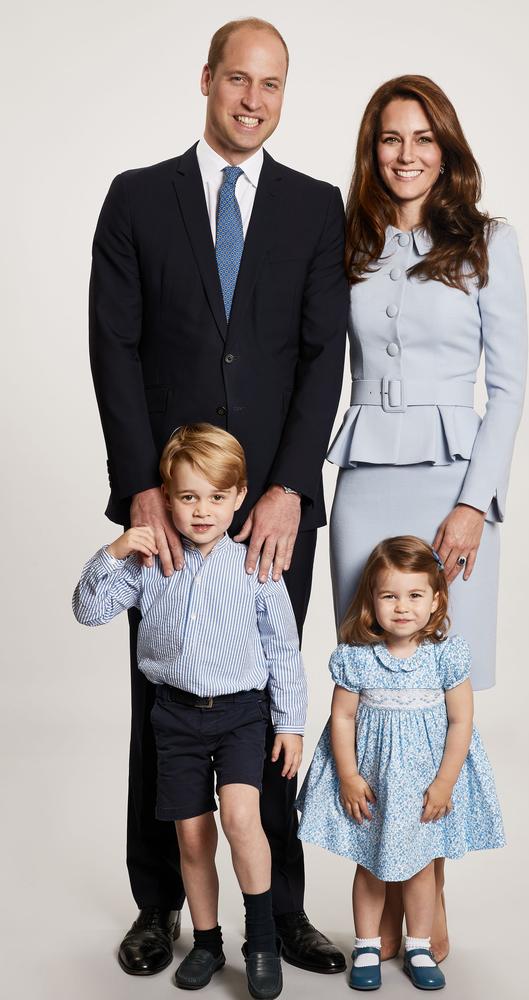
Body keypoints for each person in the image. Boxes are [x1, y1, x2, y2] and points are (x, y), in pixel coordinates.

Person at [88, 18, 348, 975]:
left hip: (270, 515)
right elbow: (111, 348)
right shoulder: (137, 199)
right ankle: (160, 902)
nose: (253, 100)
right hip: (171, 506)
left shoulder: (317, 209)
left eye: (272, 85)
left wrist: (288, 487)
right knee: (161, 704)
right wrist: (139, 494)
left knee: (270, 706)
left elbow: (327, 357)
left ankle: (277, 908)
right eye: (238, 79)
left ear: (285, 95)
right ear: (207, 80)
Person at [327, 75, 526, 960]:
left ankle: (429, 896)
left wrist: (473, 503)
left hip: (453, 482)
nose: (405, 155)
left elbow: (511, 385)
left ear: (446, 148)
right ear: (373, 152)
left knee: (439, 692)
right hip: (366, 477)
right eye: (388, 139)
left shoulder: (489, 242)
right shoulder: (349, 242)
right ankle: (381, 911)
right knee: (375, 697)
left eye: (422, 138)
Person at [74, 425, 307, 996]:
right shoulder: (153, 563)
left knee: (240, 819)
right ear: (168, 497)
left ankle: (262, 940)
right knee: (193, 837)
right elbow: (88, 610)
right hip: (174, 716)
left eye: (216, 497)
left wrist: (291, 723)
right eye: (187, 497)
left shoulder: (255, 566)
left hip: (241, 715)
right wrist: (115, 551)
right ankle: (206, 941)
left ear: (239, 496)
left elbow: (284, 648)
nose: (202, 511)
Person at [296, 536, 504, 990]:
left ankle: (418, 944)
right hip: (374, 784)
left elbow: (461, 721)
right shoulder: (357, 658)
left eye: (414, 596)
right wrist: (348, 777)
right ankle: (367, 944)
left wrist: (446, 782)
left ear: (436, 600)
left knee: (422, 866)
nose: (402, 607)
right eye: (389, 596)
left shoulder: (445, 655)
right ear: (372, 601)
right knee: (369, 865)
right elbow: (343, 718)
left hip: (426, 785)